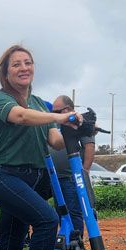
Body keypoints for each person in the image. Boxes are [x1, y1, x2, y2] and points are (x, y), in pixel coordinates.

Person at [0, 45, 77, 250]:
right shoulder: (0, 100)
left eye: (28, 62)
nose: (24, 68)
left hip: (30, 181)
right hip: (3, 176)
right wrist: (60, 116)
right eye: (16, 64)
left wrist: (78, 132)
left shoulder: (38, 104)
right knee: (48, 221)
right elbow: (21, 117)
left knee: (10, 247)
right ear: (5, 72)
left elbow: (55, 140)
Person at [48, 95, 96, 237]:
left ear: (67, 109)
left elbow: (89, 147)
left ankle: (76, 244)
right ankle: (66, 243)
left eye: (56, 111)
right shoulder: (55, 123)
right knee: (61, 211)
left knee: (73, 211)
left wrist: (83, 172)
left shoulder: (79, 121)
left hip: (71, 176)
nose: (54, 115)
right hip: (56, 178)